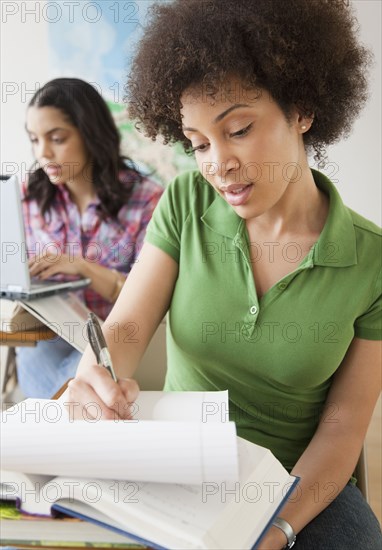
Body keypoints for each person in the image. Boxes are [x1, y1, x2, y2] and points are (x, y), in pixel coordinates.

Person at [65, 2, 381, 549]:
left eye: (238, 129)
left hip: (295, 478)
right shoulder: (186, 204)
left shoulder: (371, 261)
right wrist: (96, 371)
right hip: (180, 464)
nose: (217, 164)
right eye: (198, 143)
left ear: (302, 109)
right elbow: (127, 330)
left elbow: (342, 430)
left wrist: (276, 530)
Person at [16, 77, 163, 399]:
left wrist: (82, 267)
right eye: (34, 140)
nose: (44, 153)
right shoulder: (29, 198)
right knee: (38, 362)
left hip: (119, 339)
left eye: (57, 138)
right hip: (49, 337)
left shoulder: (146, 200)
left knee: (81, 387)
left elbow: (152, 297)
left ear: (89, 133)